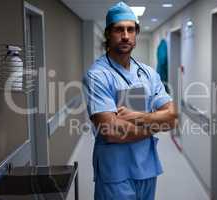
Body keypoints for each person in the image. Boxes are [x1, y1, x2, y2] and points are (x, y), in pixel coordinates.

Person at [82, 2, 178, 199]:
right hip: (115, 171)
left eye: (130, 29)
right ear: (108, 34)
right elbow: (111, 131)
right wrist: (155, 121)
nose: (125, 35)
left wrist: (136, 116)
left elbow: (172, 117)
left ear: (136, 33)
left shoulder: (149, 73)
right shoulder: (98, 75)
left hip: (147, 168)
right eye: (119, 29)